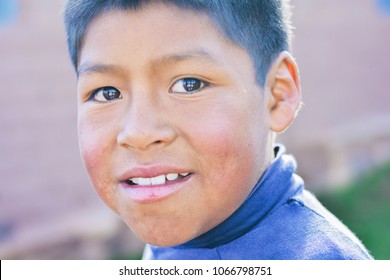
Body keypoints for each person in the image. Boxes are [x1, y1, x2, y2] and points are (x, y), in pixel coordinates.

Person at [63, 0, 373, 260]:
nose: (138, 133)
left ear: (276, 96)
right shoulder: (186, 223)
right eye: (107, 93)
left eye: (189, 85)